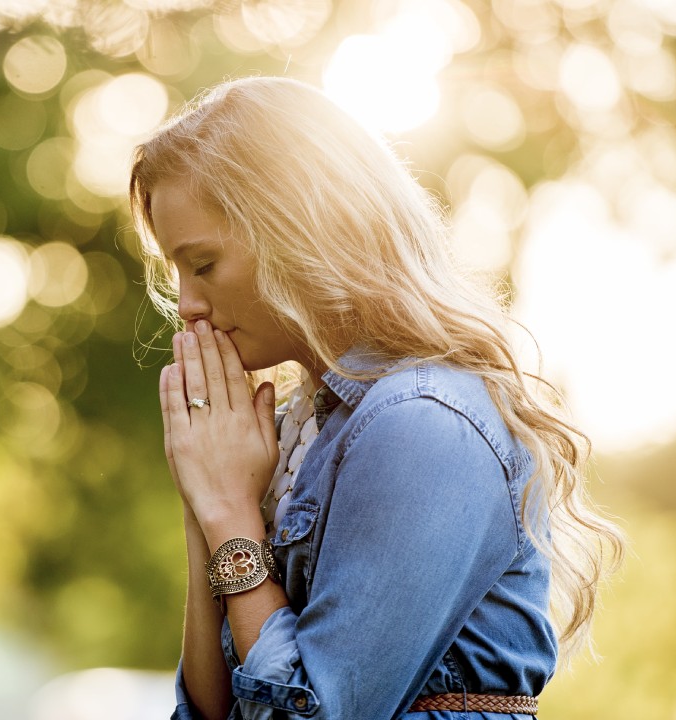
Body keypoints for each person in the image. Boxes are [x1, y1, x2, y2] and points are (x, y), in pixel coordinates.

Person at [127, 76, 626, 719]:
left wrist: (229, 515)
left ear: (297, 229)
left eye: (203, 265)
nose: (188, 307)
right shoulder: (298, 429)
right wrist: (209, 499)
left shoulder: (423, 423)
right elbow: (212, 710)